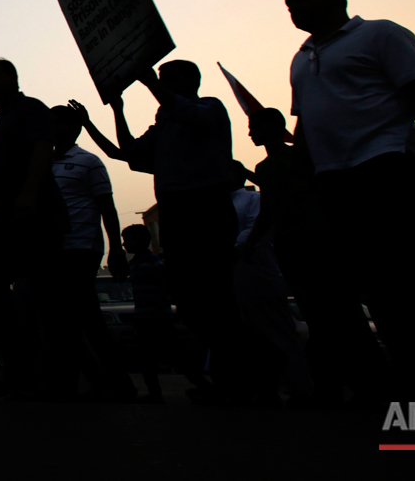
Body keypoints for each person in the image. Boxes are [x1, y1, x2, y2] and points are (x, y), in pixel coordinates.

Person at [285, 0, 415, 402]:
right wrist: (301, 182)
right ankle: (409, 383)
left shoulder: (380, 34)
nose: (292, 9)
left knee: (402, 281)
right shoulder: (301, 58)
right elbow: (307, 123)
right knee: (374, 286)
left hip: (387, 166)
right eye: (289, 3)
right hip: (337, 180)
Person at [71, 60, 245, 401]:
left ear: (187, 80)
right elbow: (126, 153)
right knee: (187, 295)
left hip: (207, 208)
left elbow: (187, 114)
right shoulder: (165, 122)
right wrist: (109, 114)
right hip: (177, 214)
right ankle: (231, 377)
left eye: (165, 78)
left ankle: (236, 381)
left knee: (219, 297)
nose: (158, 84)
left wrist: (151, 83)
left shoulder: (208, 108)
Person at [243, 107, 381, 404]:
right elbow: (268, 212)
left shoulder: (302, 159)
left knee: (340, 310)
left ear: (273, 126)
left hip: (316, 240)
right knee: (318, 314)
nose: (250, 132)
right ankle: (333, 385)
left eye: (254, 125)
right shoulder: (265, 168)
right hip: (290, 244)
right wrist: (252, 241)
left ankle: (367, 383)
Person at [0, 59, 70, 397]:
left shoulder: (30, 109)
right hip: (3, 220)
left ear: (13, 78)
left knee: (46, 297)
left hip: (35, 217)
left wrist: (29, 193)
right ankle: (19, 364)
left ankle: (55, 374)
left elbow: (43, 149)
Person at [48, 104, 133, 400]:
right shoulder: (43, 162)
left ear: (73, 128)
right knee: (69, 319)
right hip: (54, 250)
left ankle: (116, 384)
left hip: (82, 246)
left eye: (58, 123)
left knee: (84, 317)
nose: (52, 128)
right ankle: (94, 381)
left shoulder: (89, 162)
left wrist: (117, 250)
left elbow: (106, 207)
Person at [229, 175, 312, 405]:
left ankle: (298, 387)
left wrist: (238, 248)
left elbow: (258, 227)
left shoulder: (251, 199)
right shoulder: (225, 203)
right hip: (239, 277)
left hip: (258, 273)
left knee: (277, 332)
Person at [122, 224, 171, 403]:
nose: (124, 244)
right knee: (146, 358)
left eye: (127, 240)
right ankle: (154, 392)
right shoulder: (135, 263)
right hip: (143, 317)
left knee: (165, 354)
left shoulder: (153, 264)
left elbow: (162, 291)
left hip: (157, 317)